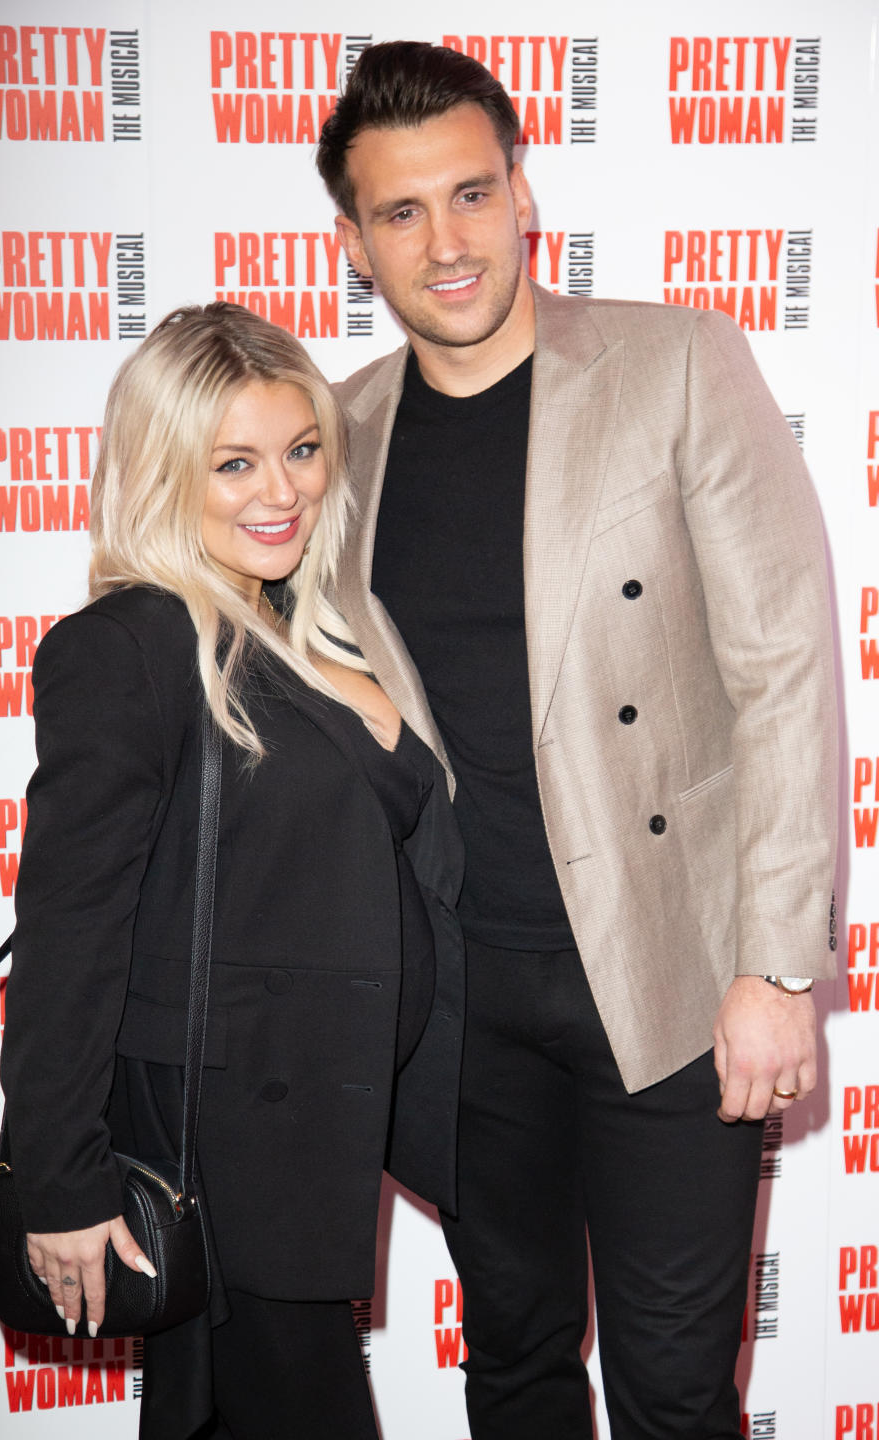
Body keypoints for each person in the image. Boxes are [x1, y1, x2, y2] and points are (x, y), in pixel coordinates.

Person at [315, 40, 838, 1440]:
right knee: (517, 1371)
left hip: (667, 979)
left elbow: (787, 664)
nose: (449, 239)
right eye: (403, 211)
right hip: (466, 1000)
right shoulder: (340, 437)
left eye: (473, 192)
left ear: (525, 188)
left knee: (674, 1395)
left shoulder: (674, 365)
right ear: (353, 239)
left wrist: (777, 965)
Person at [0, 301, 465, 1440]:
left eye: (303, 450)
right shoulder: (132, 647)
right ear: (164, 474)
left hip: (331, 1119)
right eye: (235, 463)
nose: (283, 491)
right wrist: (57, 1181)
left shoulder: (313, 631)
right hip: (228, 1132)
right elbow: (69, 926)